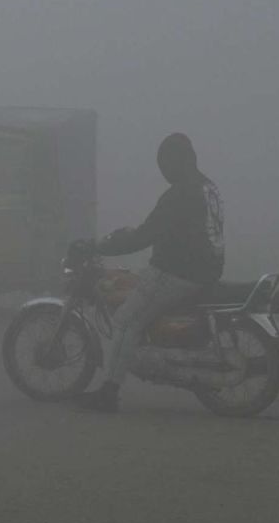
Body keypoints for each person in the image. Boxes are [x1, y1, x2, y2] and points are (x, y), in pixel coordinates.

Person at [77, 132, 225, 412]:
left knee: (125, 320)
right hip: (207, 269)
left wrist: (103, 248)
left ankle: (109, 392)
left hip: (179, 272)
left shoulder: (179, 193)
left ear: (178, 161)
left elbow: (144, 236)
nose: (164, 171)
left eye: (165, 164)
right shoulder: (208, 187)